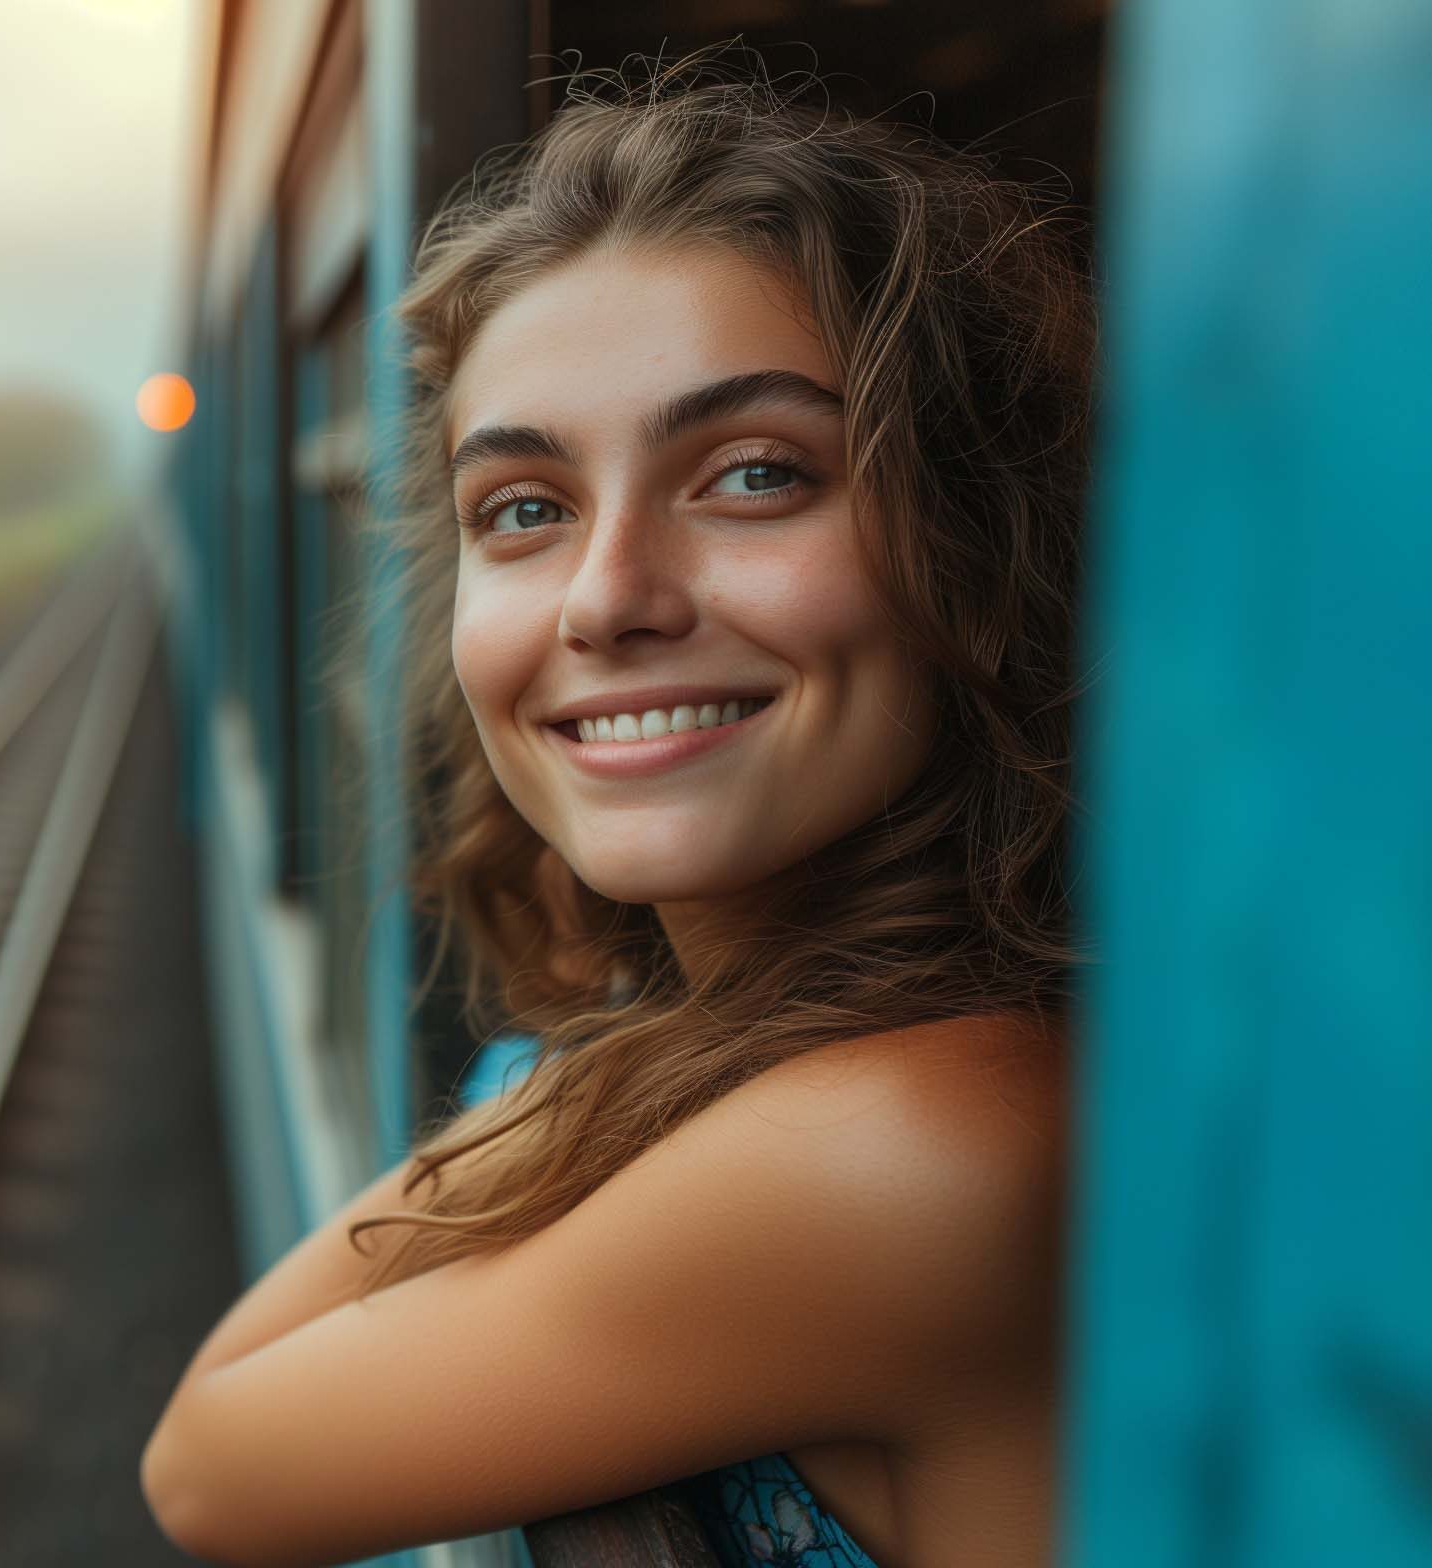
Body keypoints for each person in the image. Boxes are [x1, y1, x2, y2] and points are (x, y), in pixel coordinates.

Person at [143, 50, 1093, 1568]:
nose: (605, 599)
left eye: (753, 475)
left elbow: (212, 1459)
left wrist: (581, 1074)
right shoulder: (849, 1041)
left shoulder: (919, 1147)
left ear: (969, 548)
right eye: (523, 510)